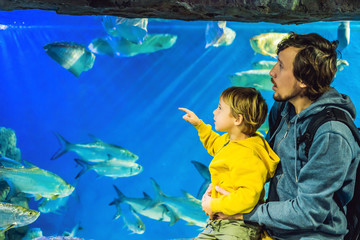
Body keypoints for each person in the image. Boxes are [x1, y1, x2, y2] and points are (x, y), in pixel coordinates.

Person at [210, 32, 360, 239]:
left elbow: (310, 212)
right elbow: (262, 160)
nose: (271, 72)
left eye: (280, 66)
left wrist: (244, 214)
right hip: (272, 229)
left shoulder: (332, 134)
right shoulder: (282, 108)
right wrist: (226, 184)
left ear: (304, 79)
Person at [179, 86, 280, 240]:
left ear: (237, 119)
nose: (214, 112)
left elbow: (247, 197)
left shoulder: (249, 155)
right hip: (218, 224)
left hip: (239, 227)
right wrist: (199, 125)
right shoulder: (229, 141)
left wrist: (214, 205)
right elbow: (214, 144)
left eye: (220, 108)